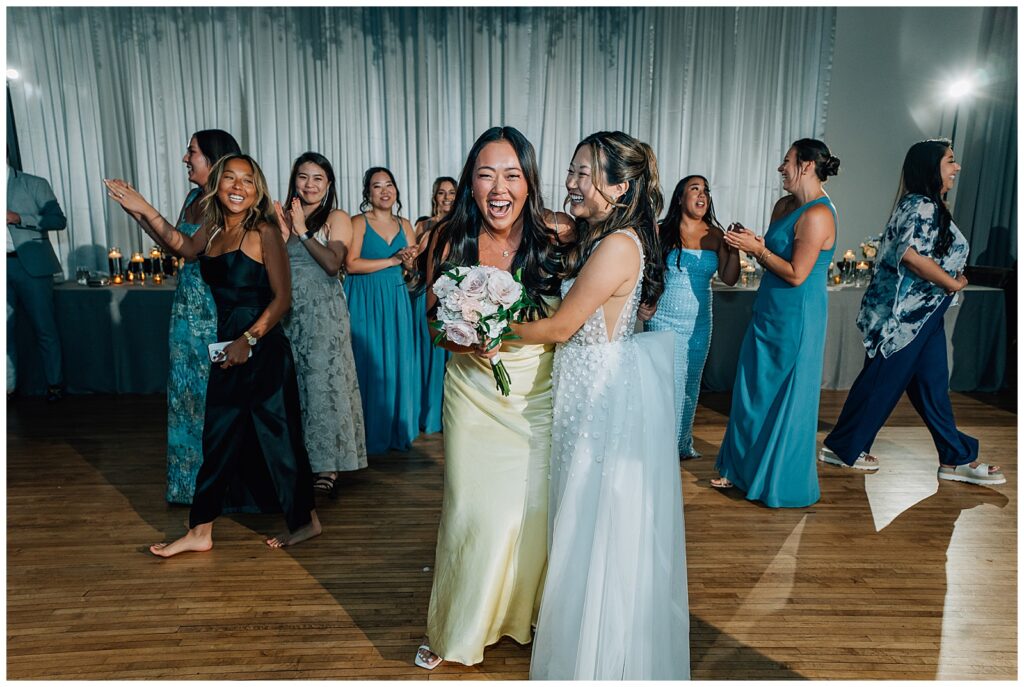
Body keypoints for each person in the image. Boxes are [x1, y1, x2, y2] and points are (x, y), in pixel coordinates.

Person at [510, 131, 689, 680]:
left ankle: (591, 649)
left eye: (582, 173)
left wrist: (491, 328)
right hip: (588, 388)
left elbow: (563, 326)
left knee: (593, 515)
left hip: (596, 398)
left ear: (620, 185)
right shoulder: (607, 238)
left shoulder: (616, 246)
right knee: (581, 510)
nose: (570, 183)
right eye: (571, 171)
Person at [415, 126, 570, 670]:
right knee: (474, 510)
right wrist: (460, 336)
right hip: (472, 392)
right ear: (470, 183)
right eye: (486, 174)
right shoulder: (447, 238)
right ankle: (456, 625)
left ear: (529, 181)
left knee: (529, 510)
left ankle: (519, 619)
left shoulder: (557, 238)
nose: (499, 186)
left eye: (512, 174)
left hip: (535, 394)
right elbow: (433, 325)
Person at [127, 154, 319, 557]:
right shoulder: (212, 230)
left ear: (257, 190)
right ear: (217, 186)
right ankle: (200, 530)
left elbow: (283, 299)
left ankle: (306, 522)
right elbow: (180, 245)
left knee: (279, 437)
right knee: (216, 436)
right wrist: (142, 208)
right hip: (226, 346)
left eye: (247, 181)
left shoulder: (264, 231)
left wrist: (247, 341)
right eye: (229, 178)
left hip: (262, 346)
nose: (237, 186)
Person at [820, 139, 1003, 486]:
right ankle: (842, 446)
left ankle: (955, 459)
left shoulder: (929, 205)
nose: (957, 167)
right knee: (883, 382)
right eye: (951, 161)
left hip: (926, 313)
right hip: (904, 316)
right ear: (930, 166)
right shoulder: (920, 205)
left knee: (932, 388)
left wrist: (947, 287)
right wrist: (953, 283)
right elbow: (910, 255)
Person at [104, 129, 241, 504]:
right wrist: (134, 209)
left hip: (211, 310)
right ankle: (188, 485)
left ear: (213, 159)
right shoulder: (194, 197)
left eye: (191, 152)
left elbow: (193, 250)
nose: (185, 159)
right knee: (184, 396)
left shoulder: (225, 201)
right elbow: (172, 243)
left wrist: (145, 205)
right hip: (186, 306)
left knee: (208, 397)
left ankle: (217, 485)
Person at [711, 139, 839, 508]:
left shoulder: (818, 215)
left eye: (787, 161)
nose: (781, 168)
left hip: (798, 316)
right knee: (752, 390)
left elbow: (798, 274)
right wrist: (748, 241)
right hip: (768, 309)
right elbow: (775, 251)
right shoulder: (786, 205)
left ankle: (776, 480)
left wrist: (756, 249)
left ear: (807, 165)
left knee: (784, 396)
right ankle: (739, 469)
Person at [276, 152, 367, 498]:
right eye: (303, 177)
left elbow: (332, 263)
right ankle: (297, 458)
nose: (309, 185)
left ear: (328, 184)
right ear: (293, 181)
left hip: (324, 314)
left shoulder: (337, 218)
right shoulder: (281, 216)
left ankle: (327, 465)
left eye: (317, 178)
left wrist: (301, 232)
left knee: (321, 385)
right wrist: (283, 228)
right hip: (288, 311)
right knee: (293, 385)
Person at [643, 175, 740, 460]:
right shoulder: (660, 231)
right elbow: (646, 272)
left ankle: (681, 443)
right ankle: (661, 447)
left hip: (699, 323)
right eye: (694, 189)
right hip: (662, 319)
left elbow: (730, 278)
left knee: (690, 384)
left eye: (706, 191)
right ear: (680, 197)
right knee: (666, 384)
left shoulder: (715, 235)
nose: (702, 195)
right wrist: (644, 303)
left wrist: (733, 250)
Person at [343, 167, 420, 454]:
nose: (385, 190)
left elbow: (412, 271)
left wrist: (410, 264)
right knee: (367, 359)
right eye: (377, 186)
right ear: (368, 194)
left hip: (396, 297)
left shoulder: (406, 224)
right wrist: (392, 261)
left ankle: (394, 430)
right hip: (364, 297)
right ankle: (365, 433)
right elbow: (350, 264)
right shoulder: (358, 222)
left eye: (389, 185)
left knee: (397, 360)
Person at [7, 164, 66, 401]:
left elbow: (58, 220)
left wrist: (19, 217)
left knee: (45, 328)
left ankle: (55, 384)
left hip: (31, 266)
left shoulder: (33, 183)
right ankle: (8, 388)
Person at [411, 177, 457, 433]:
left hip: (454, 298)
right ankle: (428, 415)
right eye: (442, 192)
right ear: (435, 196)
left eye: (452, 192)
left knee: (451, 357)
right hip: (426, 294)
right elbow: (415, 264)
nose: (447, 197)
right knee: (429, 357)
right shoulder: (423, 224)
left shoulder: (462, 225)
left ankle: (448, 413)